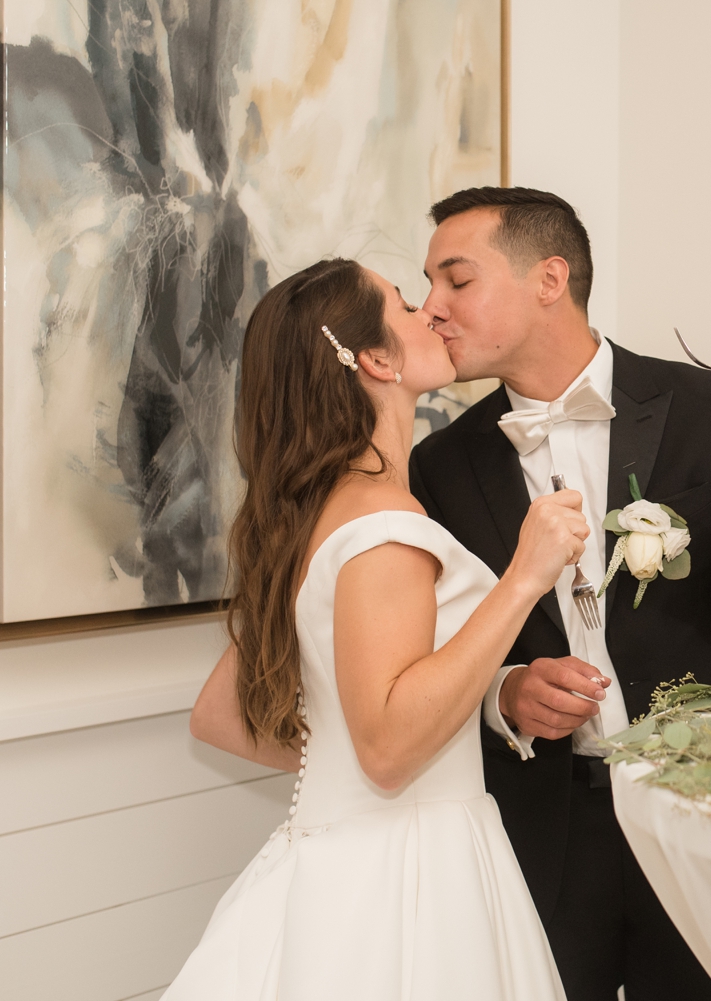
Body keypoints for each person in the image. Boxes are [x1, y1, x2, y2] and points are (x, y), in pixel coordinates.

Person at [409, 187, 711, 1001]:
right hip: (543, 827)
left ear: (549, 279)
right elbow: (437, 652)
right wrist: (507, 692)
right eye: (427, 284)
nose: (433, 308)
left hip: (699, 816)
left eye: (455, 281)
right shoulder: (444, 463)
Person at [170, 258, 580, 999]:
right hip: (411, 880)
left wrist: (346, 765)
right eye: (404, 301)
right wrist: (524, 577)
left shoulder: (314, 513)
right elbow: (389, 748)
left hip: (340, 871)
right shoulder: (385, 526)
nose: (430, 310)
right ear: (377, 359)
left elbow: (222, 714)